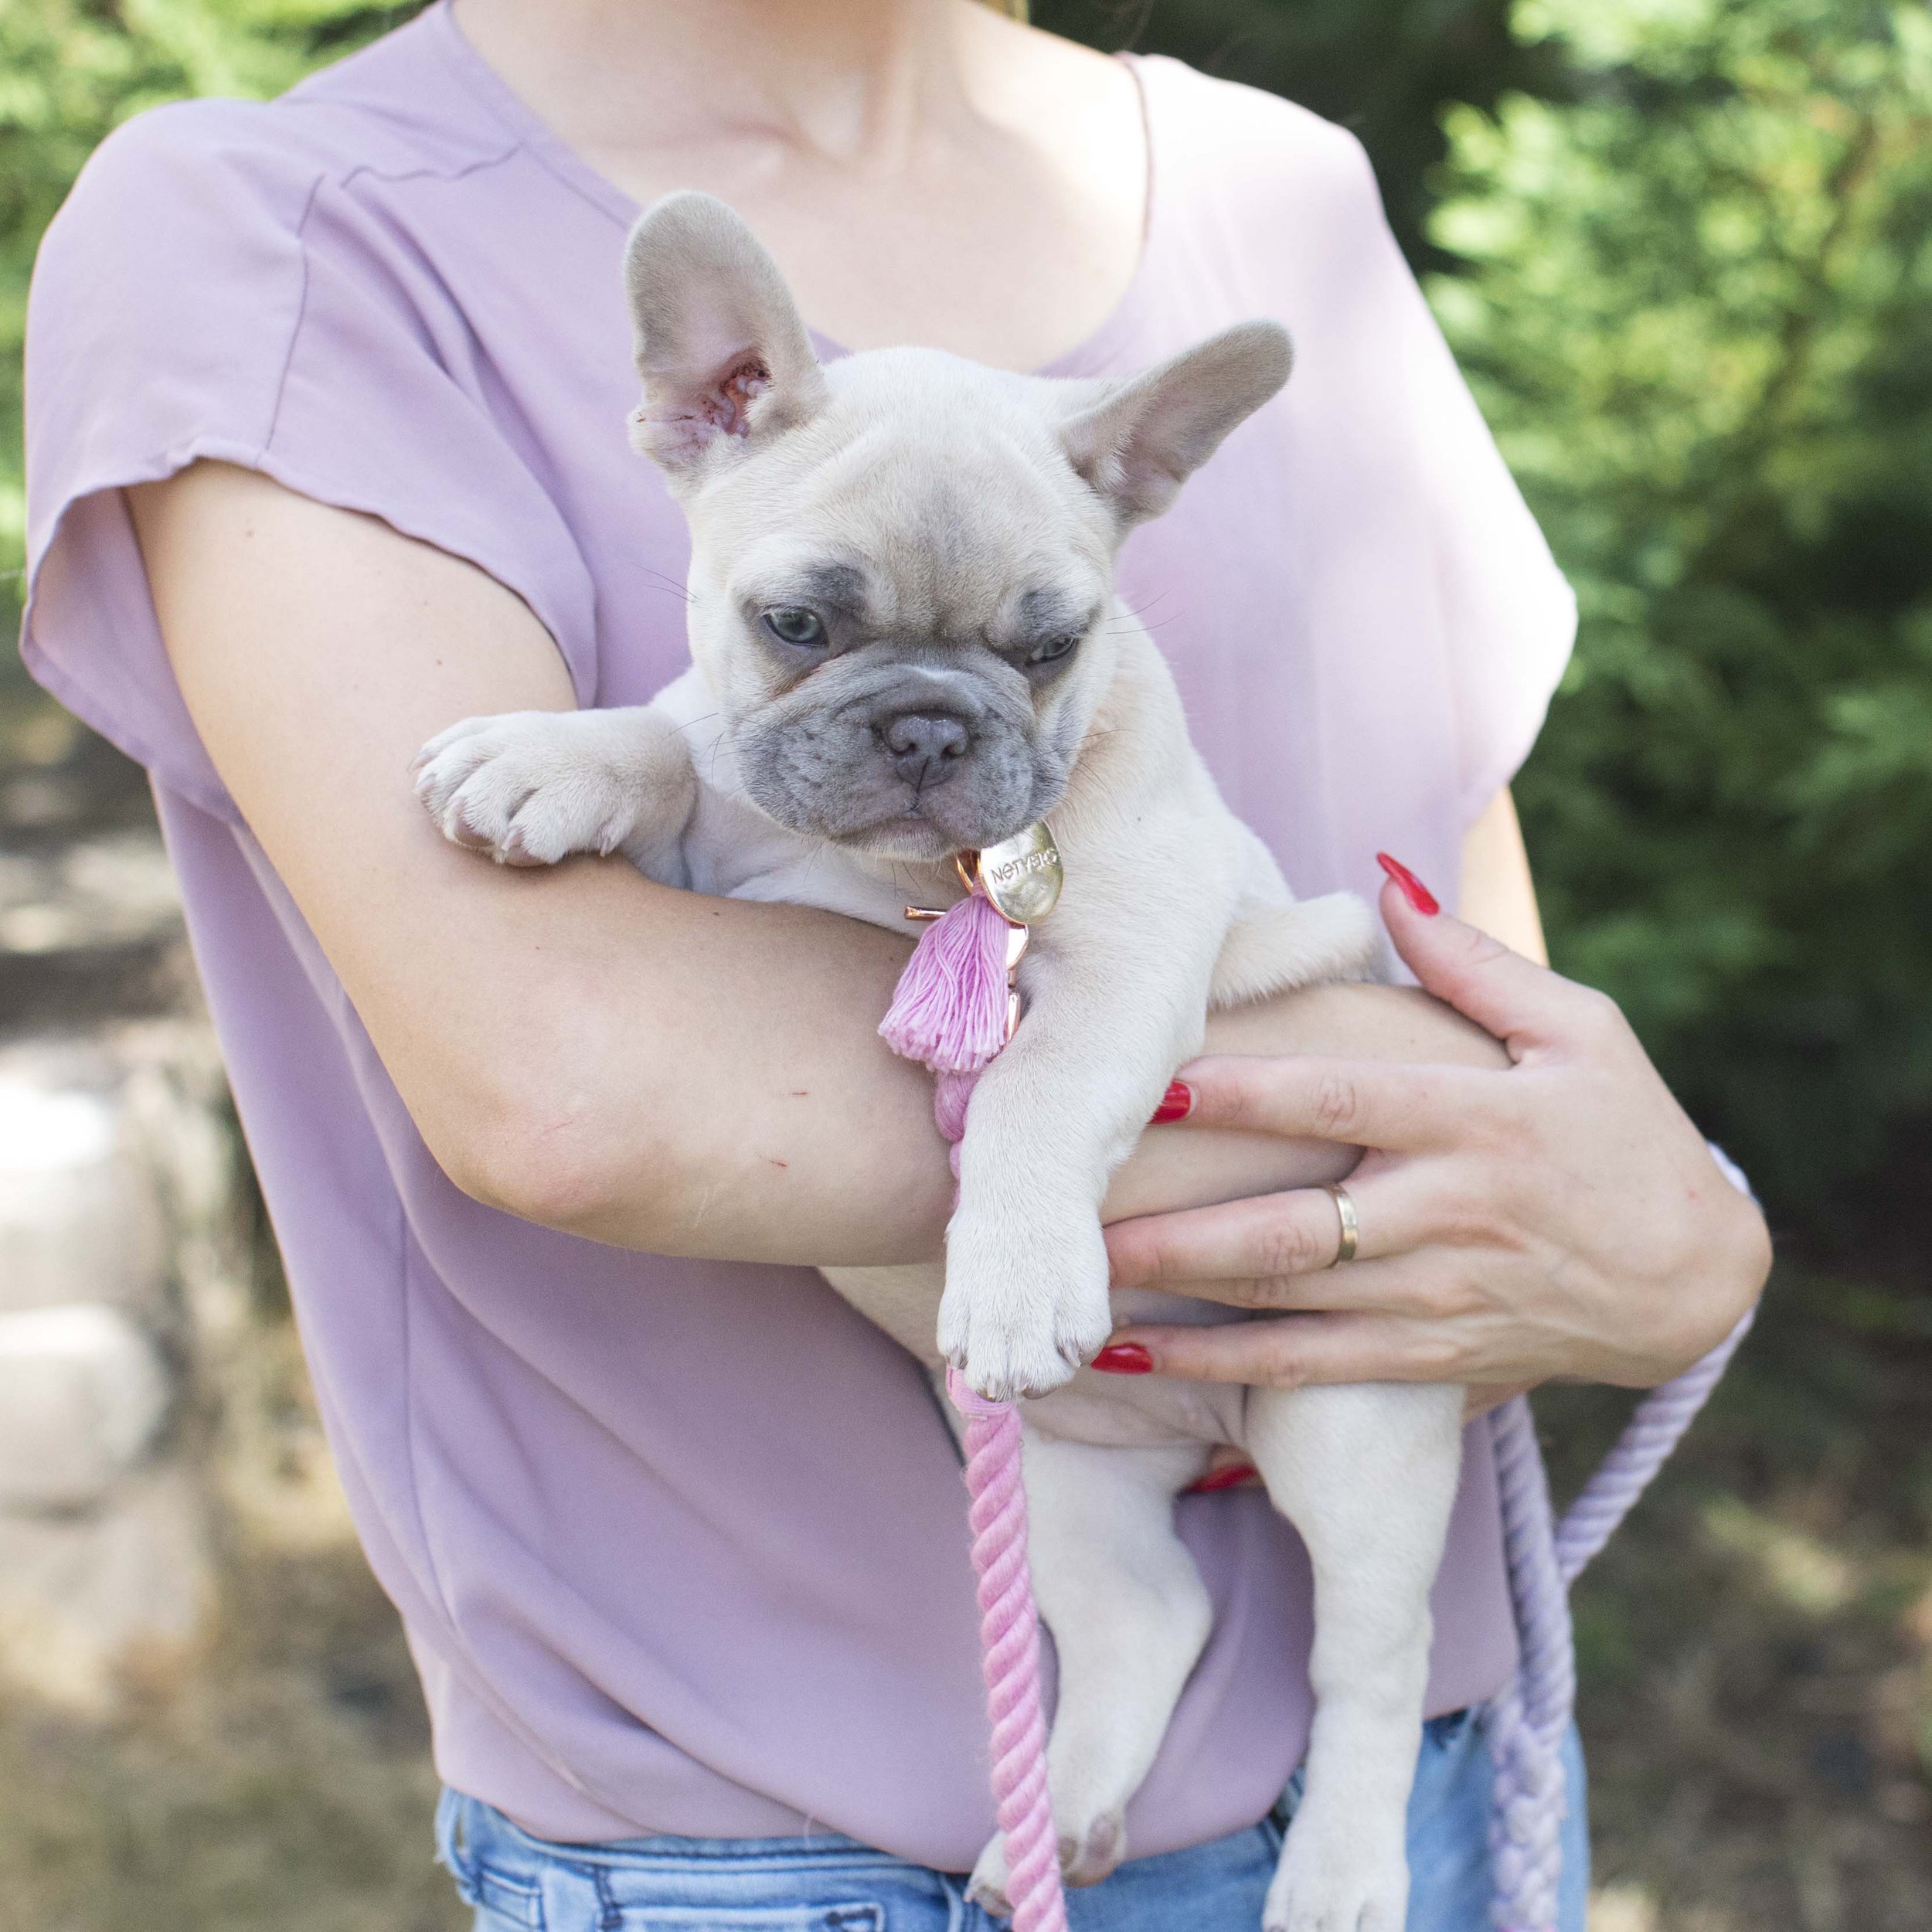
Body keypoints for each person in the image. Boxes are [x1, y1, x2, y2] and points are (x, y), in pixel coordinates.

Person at [20, 2, 1770, 1927]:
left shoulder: (1282, 196)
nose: (927, 729)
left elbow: (1503, 1016)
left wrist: (1679, 1233)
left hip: (1441, 1768)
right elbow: (578, 1083)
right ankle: (1129, 1636)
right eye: (807, 633)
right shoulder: (285, 224)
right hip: (787, 1851)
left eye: (1022, 655)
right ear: (699, 403)